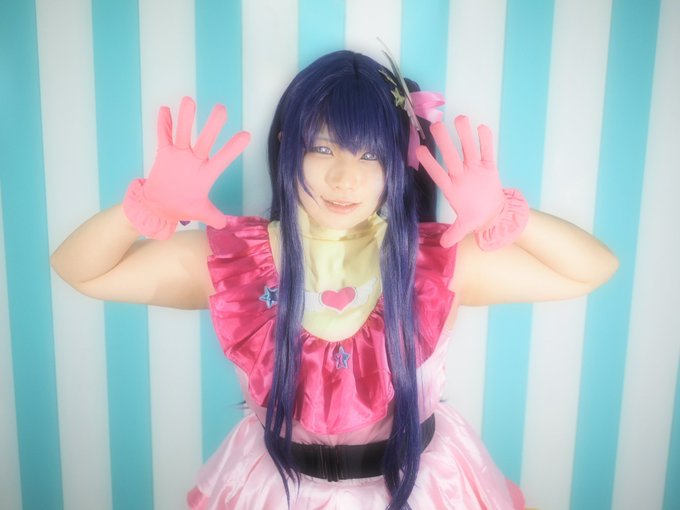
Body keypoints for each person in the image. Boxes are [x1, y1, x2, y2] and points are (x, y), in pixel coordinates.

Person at [50, 51, 618, 510]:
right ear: (286, 147)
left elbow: (592, 269)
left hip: (422, 488)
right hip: (276, 491)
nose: (345, 177)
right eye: (322, 147)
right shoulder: (234, 260)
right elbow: (80, 269)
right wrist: (144, 207)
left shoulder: (435, 260)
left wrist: (506, 216)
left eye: (370, 155)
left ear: (397, 165)